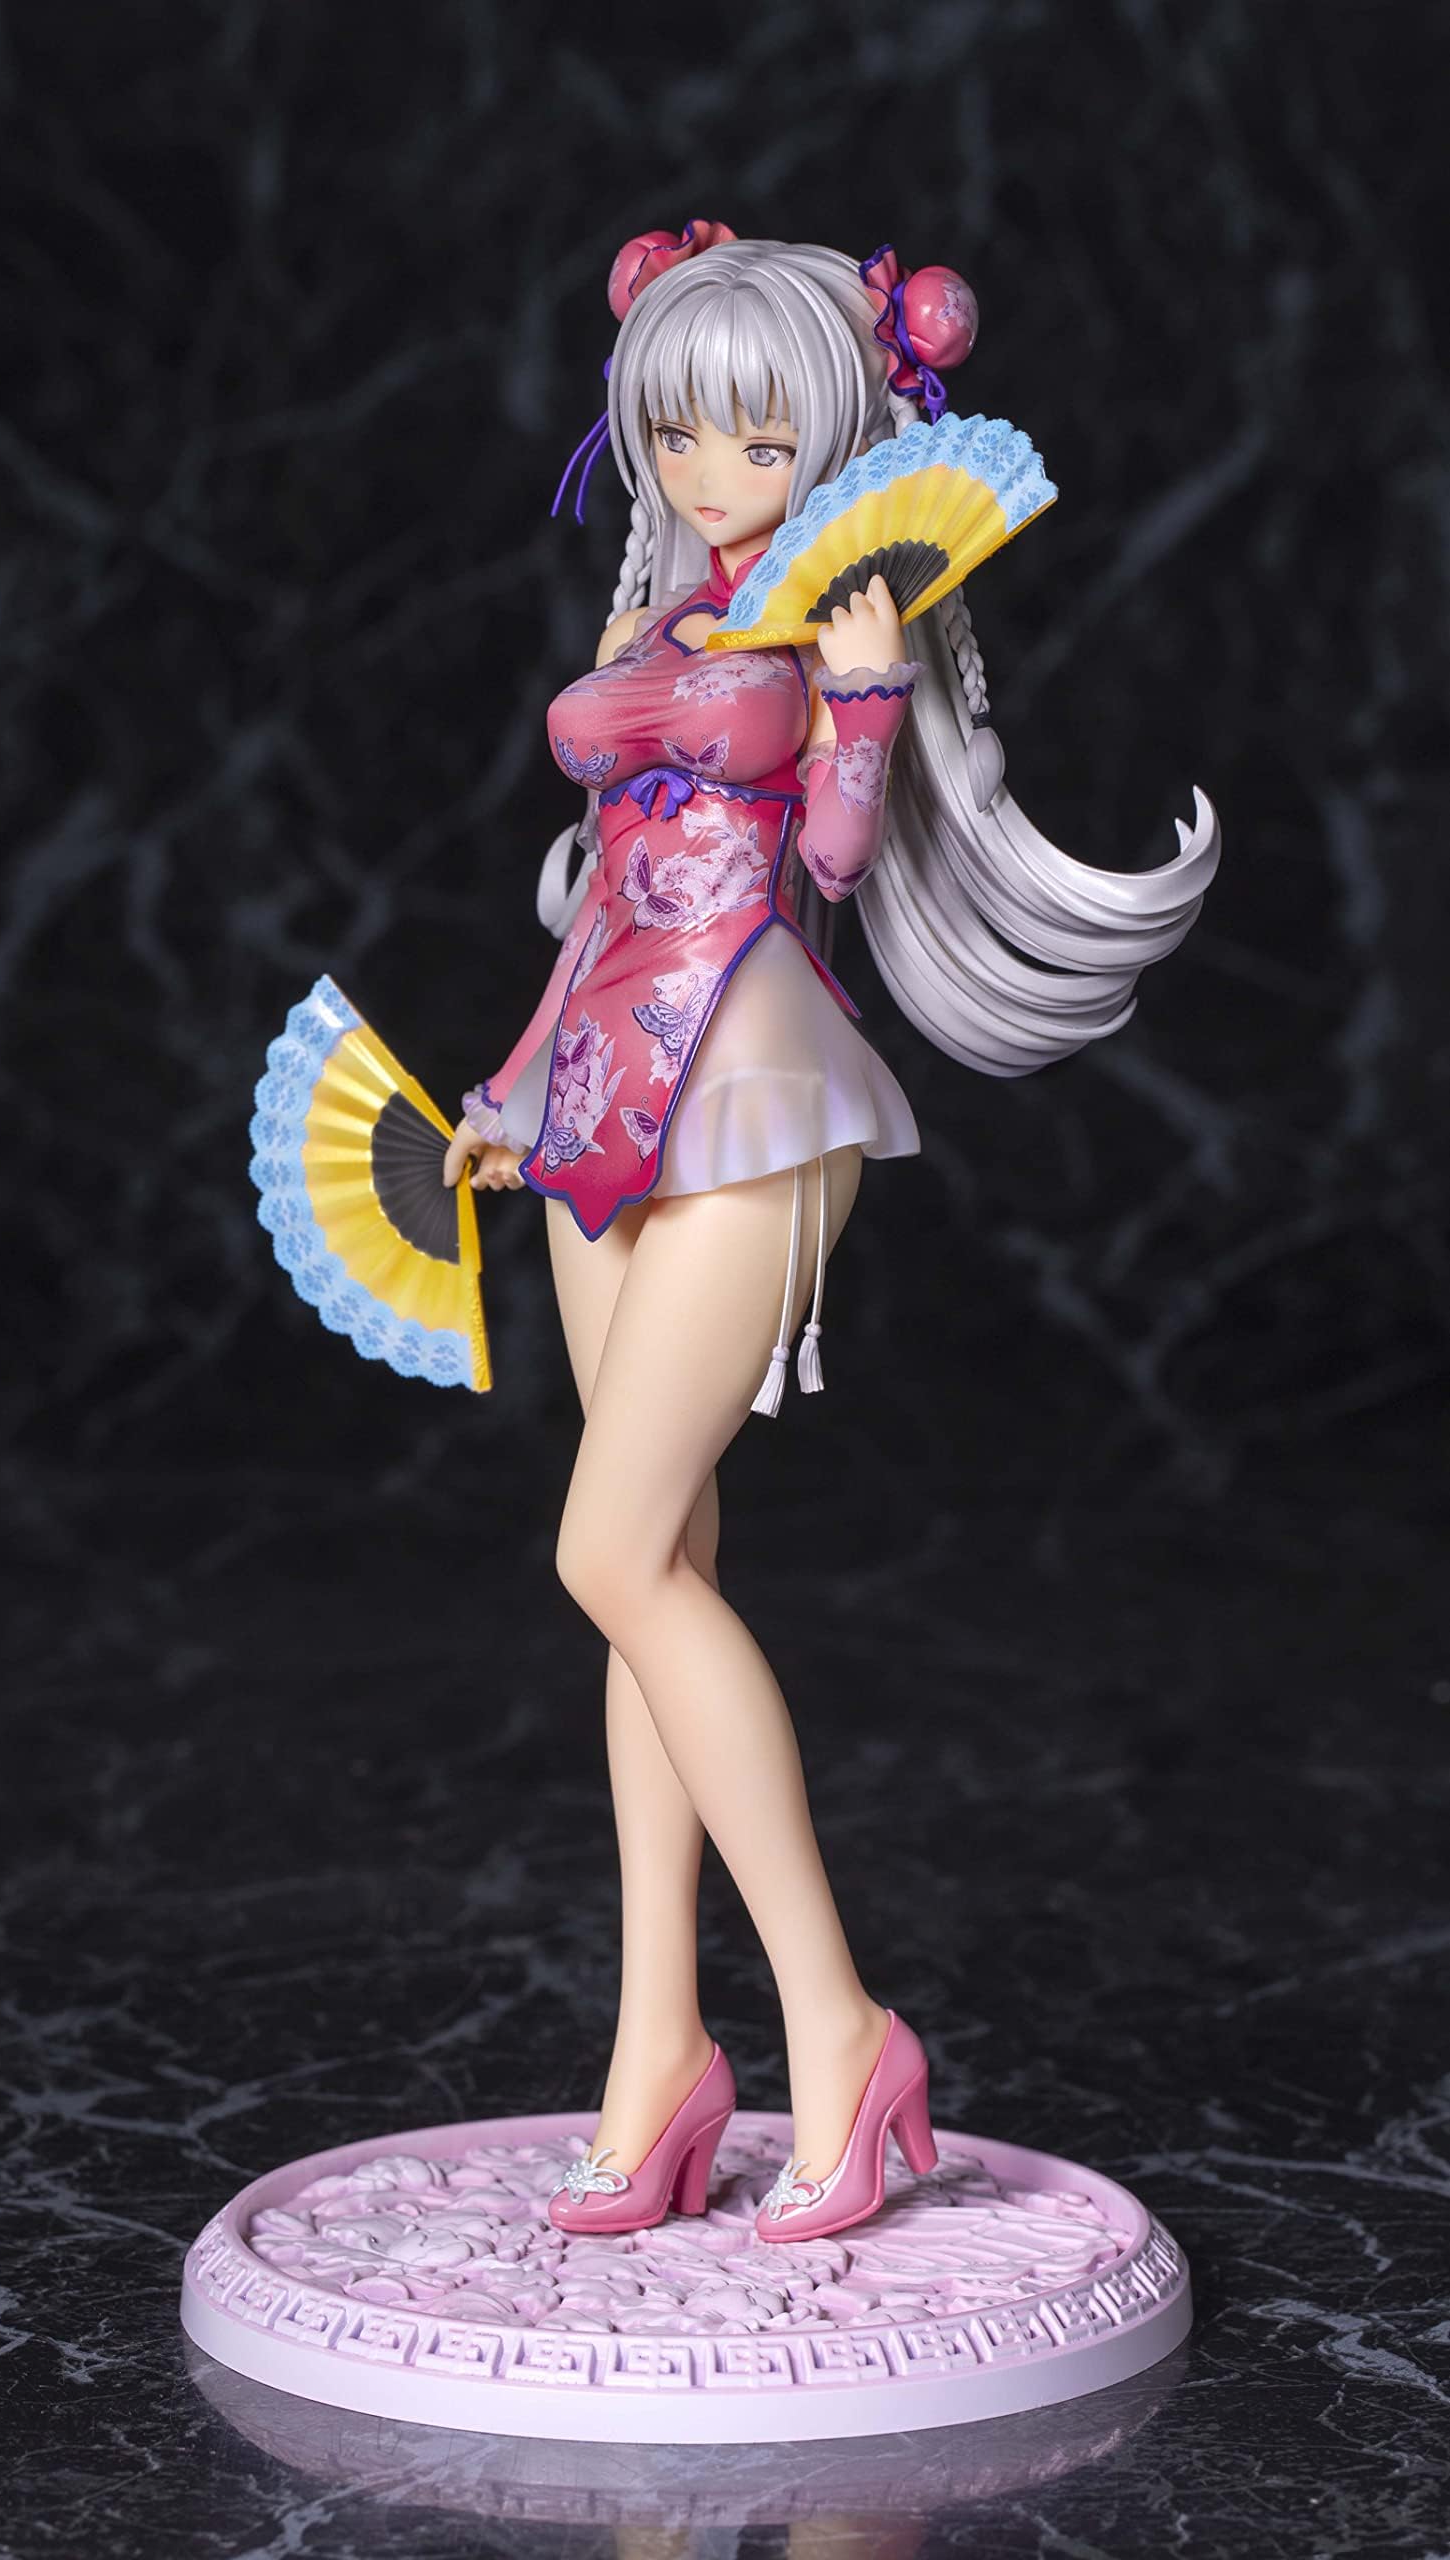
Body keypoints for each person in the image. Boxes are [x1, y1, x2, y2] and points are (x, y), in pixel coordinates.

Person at [440, 230, 1218, 2242]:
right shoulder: (654, 604)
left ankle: (838, 2023)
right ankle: (653, 2052)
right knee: (657, 1573)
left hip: (748, 1070)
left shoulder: (833, 613)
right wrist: (512, 1083)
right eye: (679, 434)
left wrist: (862, 702)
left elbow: (841, 858)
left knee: (607, 1548)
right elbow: (606, 878)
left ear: (837, 439)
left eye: (760, 438)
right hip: (598, 1081)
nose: (713, 473)